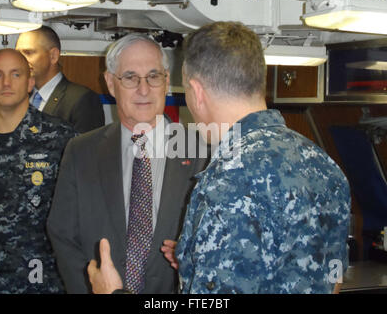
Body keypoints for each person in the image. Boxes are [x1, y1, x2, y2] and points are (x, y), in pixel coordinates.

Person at [88, 22, 351, 294]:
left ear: (197, 92)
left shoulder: (227, 181)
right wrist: (197, 258)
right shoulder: (325, 165)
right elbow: (333, 280)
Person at [47, 33, 207, 294]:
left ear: (166, 82)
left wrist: (192, 259)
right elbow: (62, 235)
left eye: (153, 76)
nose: (143, 90)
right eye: (130, 77)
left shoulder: (202, 151)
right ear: (111, 83)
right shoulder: (81, 151)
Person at [0, 49, 77, 293]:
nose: (6, 83)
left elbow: (80, 214)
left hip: (39, 281)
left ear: (30, 83)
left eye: (15, 74)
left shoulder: (62, 138)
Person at [16, 26, 105, 133]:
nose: (20, 60)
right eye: (18, 54)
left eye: (28, 53)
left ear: (53, 56)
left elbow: (88, 147)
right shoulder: (19, 97)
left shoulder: (82, 99)